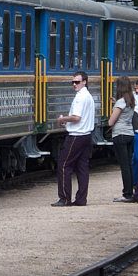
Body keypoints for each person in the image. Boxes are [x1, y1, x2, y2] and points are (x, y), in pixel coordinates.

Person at [52, 72, 95, 207]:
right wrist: (68, 122)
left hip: (76, 135)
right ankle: (81, 199)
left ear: (85, 82)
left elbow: (76, 117)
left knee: (64, 165)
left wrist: (62, 119)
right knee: (82, 168)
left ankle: (64, 198)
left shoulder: (80, 98)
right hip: (86, 135)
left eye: (77, 82)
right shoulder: (88, 96)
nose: (74, 85)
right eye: (73, 82)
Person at [107, 76, 138, 202]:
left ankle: (127, 194)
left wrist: (114, 108)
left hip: (119, 135)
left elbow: (111, 122)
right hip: (129, 134)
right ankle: (131, 191)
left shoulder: (120, 102)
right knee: (129, 165)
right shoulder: (131, 100)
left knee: (124, 166)